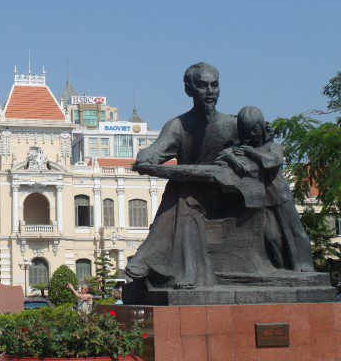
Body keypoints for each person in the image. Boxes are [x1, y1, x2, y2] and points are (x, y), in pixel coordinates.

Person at [125, 62, 238, 288]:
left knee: (183, 192)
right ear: (189, 90)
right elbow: (156, 151)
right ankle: (166, 266)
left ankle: (146, 258)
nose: (210, 92)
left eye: (214, 85)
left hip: (225, 197)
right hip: (189, 195)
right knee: (183, 192)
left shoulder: (232, 125)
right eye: (203, 86)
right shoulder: (178, 125)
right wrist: (146, 156)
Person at [217, 106, 313, 272]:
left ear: (262, 126)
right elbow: (223, 154)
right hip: (261, 199)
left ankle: (303, 265)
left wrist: (252, 153)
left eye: (254, 129)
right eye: (247, 131)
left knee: (292, 231)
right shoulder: (243, 149)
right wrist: (234, 157)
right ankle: (280, 267)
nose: (252, 135)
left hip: (280, 196)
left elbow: (273, 161)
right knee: (271, 236)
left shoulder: (272, 147)